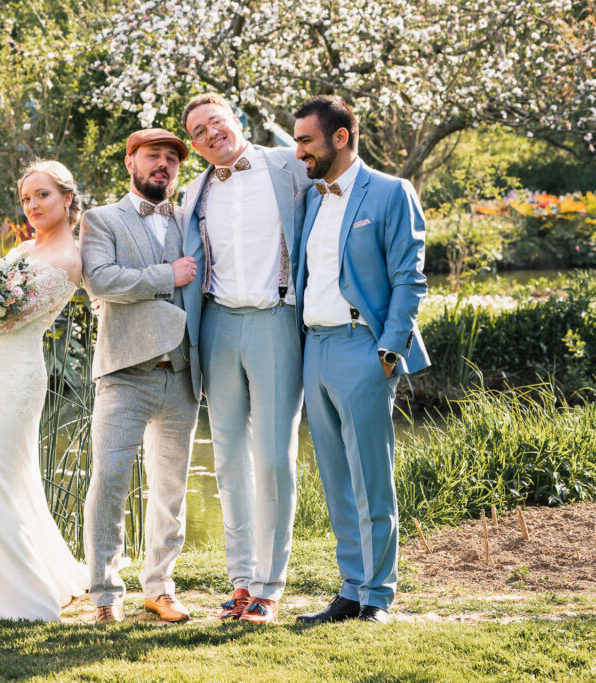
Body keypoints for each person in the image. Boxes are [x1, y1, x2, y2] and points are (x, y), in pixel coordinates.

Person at [292, 95, 429, 624]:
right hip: (315, 348)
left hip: (363, 348)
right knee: (335, 479)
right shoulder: (311, 198)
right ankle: (351, 589)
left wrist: (389, 350)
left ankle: (379, 596)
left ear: (340, 137)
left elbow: (409, 277)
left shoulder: (393, 192)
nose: (299, 151)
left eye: (306, 140)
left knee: (372, 478)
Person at [178, 94, 314, 624]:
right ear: (194, 145)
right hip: (216, 326)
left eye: (218, 121)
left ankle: (270, 584)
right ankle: (240, 581)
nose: (212, 133)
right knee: (229, 458)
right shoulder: (195, 191)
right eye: (199, 131)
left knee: (274, 457)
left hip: (276, 320)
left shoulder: (288, 166)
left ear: (237, 121)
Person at [80, 129, 201, 624]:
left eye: (172, 159)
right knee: (109, 480)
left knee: (170, 489)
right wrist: (164, 276)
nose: (164, 165)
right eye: (153, 156)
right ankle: (106, 594)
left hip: (182, 374)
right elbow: (101, 279)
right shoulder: (100, 219)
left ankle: (160, 586)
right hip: (125, 373)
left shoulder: (190, 220)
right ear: (130, 161)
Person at [0, 160, 88, 621]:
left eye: (42, 195)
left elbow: (9, 317)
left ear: (67, 198)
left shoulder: (67, 260)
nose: (32, 205)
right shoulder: (23, 248)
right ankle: (32, 572)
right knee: (1, 474)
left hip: (16, 376)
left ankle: (18, 594)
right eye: (26, 198)